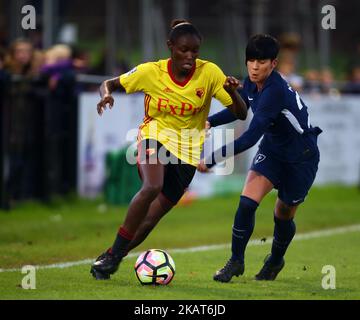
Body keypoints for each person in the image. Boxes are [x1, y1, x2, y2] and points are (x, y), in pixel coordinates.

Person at [90, 19, 247, 280]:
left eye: (194, 51)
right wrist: (105, 94)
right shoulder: (151, 71)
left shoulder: (210, 74)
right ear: (170, 46)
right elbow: (110, 82)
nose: (189, 57)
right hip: (154, 138)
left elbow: (241, 114)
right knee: (152, 186)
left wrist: (234, 92)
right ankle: (115, 255)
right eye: (183, 50)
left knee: (150, 220)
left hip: (187, 154)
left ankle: (109, 257)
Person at [197, 34, 322, 282]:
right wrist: (210, 121)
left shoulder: (274, 91)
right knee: (246, 203)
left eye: (261, 61)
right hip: (274, 151)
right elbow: (239, 110)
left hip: (301, 156)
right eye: (251, 61)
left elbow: (250, 138)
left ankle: (275, 260)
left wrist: (212, 158)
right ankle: (236, 261)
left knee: (283, 213)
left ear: (273, 64)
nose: (254, 67)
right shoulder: (251, 83)